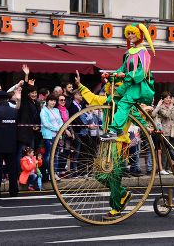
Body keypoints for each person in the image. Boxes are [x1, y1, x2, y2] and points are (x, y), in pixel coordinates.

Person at [75, 70, 151, 219]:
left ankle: (115, 208)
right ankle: (122, 193)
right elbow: (92, 98)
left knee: (115, 176)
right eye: (111, 85)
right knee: (99, 174)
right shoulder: (108, 100)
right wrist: (80, 85)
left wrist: (147, 127)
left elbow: (138, 118)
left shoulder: (127, 104)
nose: (113, 88)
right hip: (106, 143)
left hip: (119, 143)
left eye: (117, 85)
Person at [100, 23, 155, 141]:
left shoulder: (144, 52)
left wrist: (126, 75)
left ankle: (113, 130)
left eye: (132, 33)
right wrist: (111, 75)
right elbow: (123, 69)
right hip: (129, 85)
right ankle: (117, 128)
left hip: (139, 86)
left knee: (124, 104)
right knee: (111, 99)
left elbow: (142, 72)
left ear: (139, 34)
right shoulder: (129, 52)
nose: (130, 36)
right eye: (128, 33)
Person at [16, 64, 41, 174]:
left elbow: (36, 116)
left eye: (35, 93)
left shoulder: (36, 103)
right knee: (21, 151)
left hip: (33, 130)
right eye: (32, 93)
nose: (34, 94)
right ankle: (18, 171)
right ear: (28, 94)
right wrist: (26, 75)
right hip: (24, 130)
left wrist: (37, 126)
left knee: (31, 152)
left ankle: (30, 171)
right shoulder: (26, 101)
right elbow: (25, 87)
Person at [40, 94, 63, 181]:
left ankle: (55, 172)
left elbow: (60, 121)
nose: (53, 102)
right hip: (49, 136)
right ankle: (49, 173)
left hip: (58, 135)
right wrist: (56, 128)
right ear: (47, 101)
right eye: (51, 100)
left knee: (56, 154)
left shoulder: (56, 110)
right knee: (48, 155)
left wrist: (59, 128)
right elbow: (45, 123)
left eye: (54, 101)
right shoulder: (44, 110)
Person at [156, 91, 174, 173]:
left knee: (171, 150)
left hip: (173, 130)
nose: (168, 99)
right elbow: (166, 115)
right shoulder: (161, 107)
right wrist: (170, 107)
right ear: (163, 99)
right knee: (165, 150)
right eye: (167, 98)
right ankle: (162, 167)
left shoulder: (172, 106)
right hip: (165, 131)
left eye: (169, 98)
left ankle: (168, 167)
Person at [56, 94, 74, 178]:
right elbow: (58, 122)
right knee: (60, 153)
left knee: (66, 152)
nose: (63, 101)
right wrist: (65, 130)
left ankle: (63, 171)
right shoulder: (56, 110)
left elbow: (69, 122)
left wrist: (72, 132)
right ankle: (57, 171)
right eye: (61, 100)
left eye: (64, 100)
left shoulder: (66, 110)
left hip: (67, 133)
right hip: (60, 134)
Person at [68, 89, 84, 177]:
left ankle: (78, 170)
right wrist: (85, 125)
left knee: (79, 152)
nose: (81, 96)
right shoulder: (72, 106)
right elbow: (75, 119)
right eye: (80, 95)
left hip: (80, 131)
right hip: (75, 131)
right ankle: (73, 171)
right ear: (75, 96)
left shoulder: (79, 105)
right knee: (75, 152)